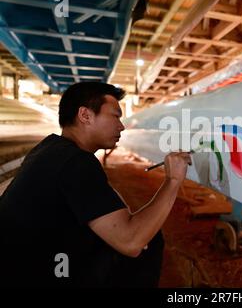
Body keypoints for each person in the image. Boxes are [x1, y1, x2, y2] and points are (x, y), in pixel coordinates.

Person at [0, 82, 191, 287]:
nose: (121, 125)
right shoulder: (76, 162)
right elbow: (132, 242)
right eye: (115, 116)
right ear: (85, 115)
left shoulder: (50, 148)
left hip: (18, 266)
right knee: (147, 242)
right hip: (36, 275)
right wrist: (172, 181)